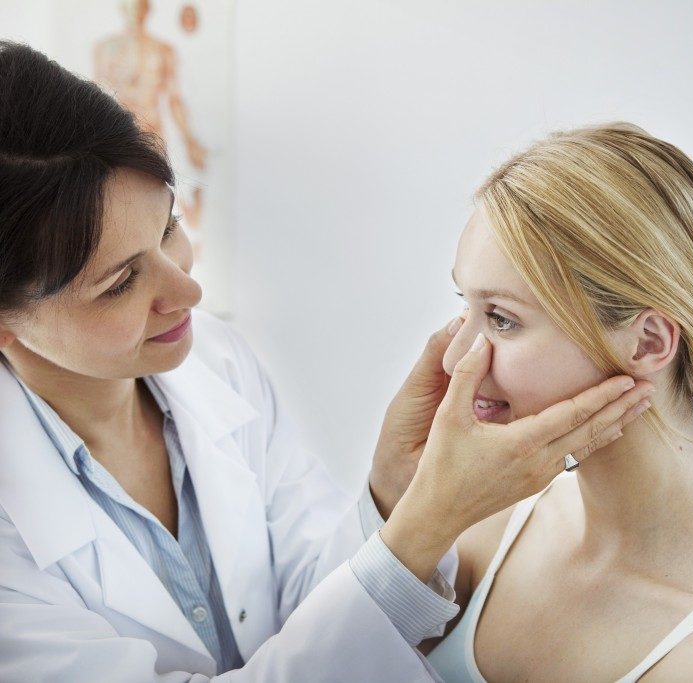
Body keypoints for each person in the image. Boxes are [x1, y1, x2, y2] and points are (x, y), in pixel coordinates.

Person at [0, 43, 653, 682]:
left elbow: (310, 608)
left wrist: (393, 490)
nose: (188, 291)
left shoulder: (218, 364)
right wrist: (429, 520)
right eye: (120, 283)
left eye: (168, 227)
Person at [422, 123, 693, 681]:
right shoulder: (499, 512)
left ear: (648, 343)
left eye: (502, 319)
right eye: (465, 306)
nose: (454, 360)